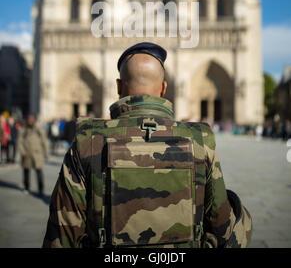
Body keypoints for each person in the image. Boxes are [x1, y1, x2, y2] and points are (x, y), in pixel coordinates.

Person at [42, 42, 252, 249]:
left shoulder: (87, 140)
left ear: (118, 87)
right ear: (163, 88)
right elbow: (222, 226)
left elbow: (62, 235)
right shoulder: (200, 138)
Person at [17, 114, 49, 197]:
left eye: (32, 119)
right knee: (26, 171)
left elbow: (44, 142)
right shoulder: (23, 130)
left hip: (37, 154)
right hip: (26, 154)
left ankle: (40, 190)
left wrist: (46, 154)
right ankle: (27, 187)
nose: (30, 121)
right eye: (28, 119)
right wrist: (23, 152)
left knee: (39, 172)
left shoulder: (40, 130)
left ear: (34, 120)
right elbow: (19, 142)